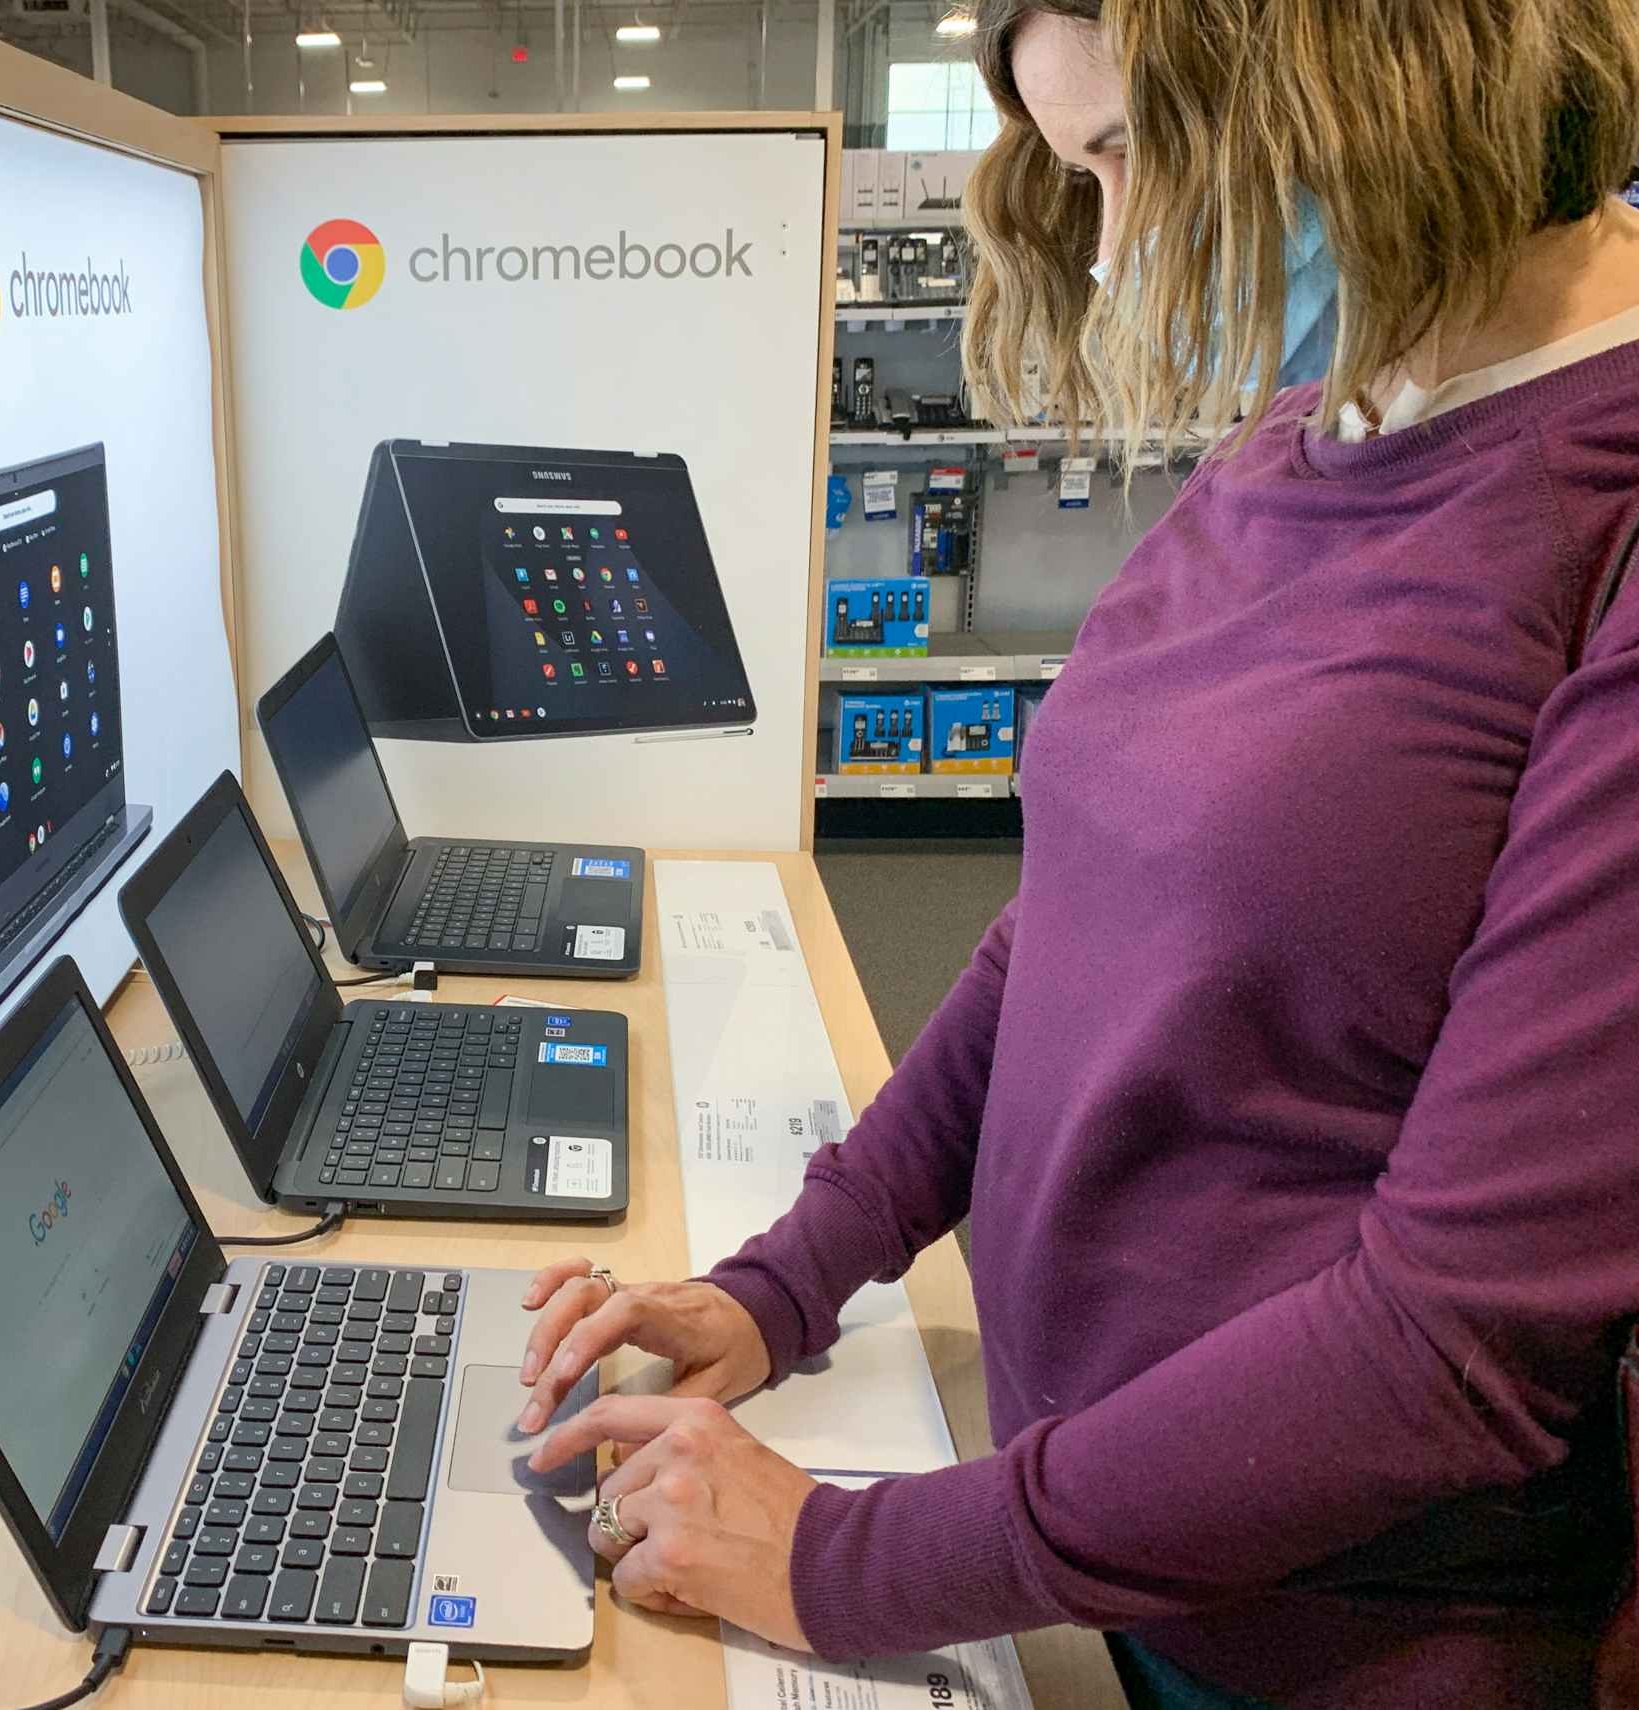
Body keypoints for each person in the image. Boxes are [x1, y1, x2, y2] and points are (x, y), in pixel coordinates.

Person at [512, 3, 1639, 1705]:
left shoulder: (1600, 519)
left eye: (1126, 156)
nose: (1116, 248)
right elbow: (1064, 938)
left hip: (1317, 1636)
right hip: (1066, 1532)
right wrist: (786, 1281)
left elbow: (1451, 1343)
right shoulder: (1316, 424)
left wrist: (842, 1559)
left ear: (1354, 68)